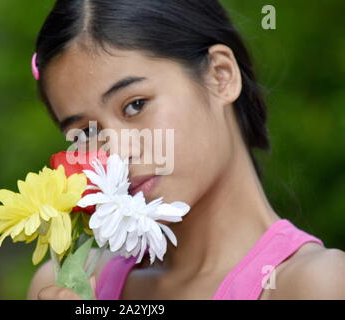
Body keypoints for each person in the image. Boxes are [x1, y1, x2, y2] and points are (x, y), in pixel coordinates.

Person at [27, 0, 345, 300]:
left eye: (135, 105)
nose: (118, 154)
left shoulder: (313, 284)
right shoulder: (71, 284)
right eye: (86, 132)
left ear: (221, 76)